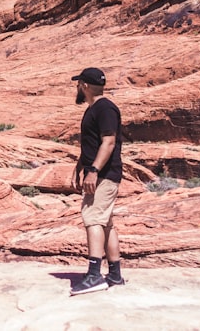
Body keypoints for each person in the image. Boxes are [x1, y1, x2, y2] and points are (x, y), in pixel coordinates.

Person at [69, 67, 124, 296]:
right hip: (99, 173)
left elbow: (108, 142)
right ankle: (114, 274)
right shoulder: (93, 109)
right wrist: (78, 168)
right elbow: (91, 145)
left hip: (104, 175)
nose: (76, 88)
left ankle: (94, 276)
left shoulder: (105, 108)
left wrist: (92, 171)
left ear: (84, 85)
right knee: (106, 223)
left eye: (78, 83)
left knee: (92, 219)